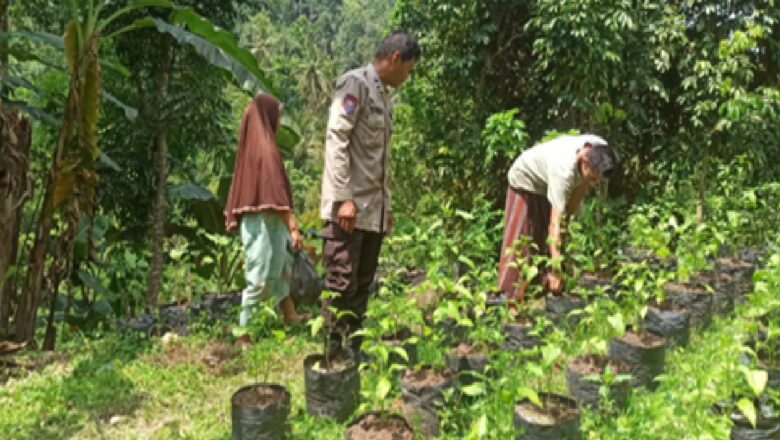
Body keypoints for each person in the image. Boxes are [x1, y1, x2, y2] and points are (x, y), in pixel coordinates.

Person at [320, 31, 421, 349]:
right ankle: (332, 358)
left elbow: (379, 161)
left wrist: (385, 207)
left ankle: (353, 353)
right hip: (349, 211)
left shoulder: (383, 96)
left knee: (362, 285)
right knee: (341, 284)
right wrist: (343, 198)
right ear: (395, 58)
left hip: (372, 212)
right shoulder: (356, 85)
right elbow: (337, 140)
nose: (408, 76)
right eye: (409, 68)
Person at [497, 134, 618, 304]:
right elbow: (554, 224)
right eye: (592, 178)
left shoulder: (599, 149)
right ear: (583, 160)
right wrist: (556, 268)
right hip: (524, 181)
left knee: (545, 241)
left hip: (546, 185)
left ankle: (538, 296)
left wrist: (566, 223)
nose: (594, 183)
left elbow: (581, 188)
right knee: (521, 244)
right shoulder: (563, 170)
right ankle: (510, 302)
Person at [224, 94, 308, 327]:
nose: (279, 122)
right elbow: (274, 193)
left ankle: (289, 314)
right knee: (259, 276)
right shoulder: (266, 151)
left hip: (264, 220)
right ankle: (244, 331)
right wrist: (293, 226)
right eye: (277, 116)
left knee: (281, 268)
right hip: (262, 222)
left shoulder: (252, 148)